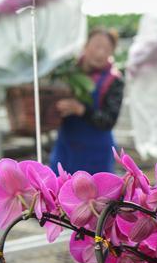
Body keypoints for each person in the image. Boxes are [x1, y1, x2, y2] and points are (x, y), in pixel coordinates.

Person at [50, 27, 124, 174]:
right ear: (85, 45)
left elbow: (109, 120)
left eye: (107, 49)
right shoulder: (67, 73)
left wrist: (81, 110)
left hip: (97, 155)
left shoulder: (114, 80)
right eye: (97, 46)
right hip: (66, 151)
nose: (100, 52)